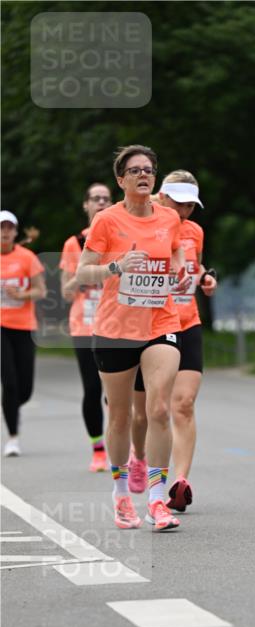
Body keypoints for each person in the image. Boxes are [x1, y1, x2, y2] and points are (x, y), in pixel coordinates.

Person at [75, 145, 189, 531]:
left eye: (149, 170)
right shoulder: (106, 220)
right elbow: (83, 271)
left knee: (158, 409)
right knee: (121, 416)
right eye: (135, 170)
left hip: (161, 322)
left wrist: (180, 272)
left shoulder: (168, 217)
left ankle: (157, 500)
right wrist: (117, 266)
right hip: (115, 330)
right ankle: (122, 493)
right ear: (120, 179)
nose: (144, 175)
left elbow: (175, 252)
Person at [128, 171, 217, 511]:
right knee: (145, 413)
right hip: (147, 327)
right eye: (178, 203)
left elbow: (194, 266)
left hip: (186, 321)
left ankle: (179, 483)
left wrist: (205, 278)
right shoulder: (140, 224)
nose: (184, 211)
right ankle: (139, 455)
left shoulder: (194, 231)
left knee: (183, 404)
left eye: (190, 206)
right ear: (162, 197)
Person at [60, 182, 113, 472]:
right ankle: (98, 450)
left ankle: (124, 447)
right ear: (86, 205)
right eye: (95, 198)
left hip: (117, 324)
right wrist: (86, 272)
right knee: (92, 389)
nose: (101, 203)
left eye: (106, 199)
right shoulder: (74, 243)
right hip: (84, 327)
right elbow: (66, 293)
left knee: (117, 393)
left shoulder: (119, 237)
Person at [0, 210, 47, 456]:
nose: (5, 232)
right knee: (9, 382)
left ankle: (10, 408)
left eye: (9, 227)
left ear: (16, 232)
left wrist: (21, 295)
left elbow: (41, 291)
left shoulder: (27, 257)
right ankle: (13, 438)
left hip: (24, 326)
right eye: (1, 227)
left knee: (24, 389)